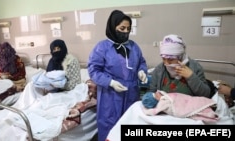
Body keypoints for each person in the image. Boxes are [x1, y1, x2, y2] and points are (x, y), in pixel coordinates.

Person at [87, 10, 148, 141]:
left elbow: (141, 62)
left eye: (128, 29)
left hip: (132, 93)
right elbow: (93, 70)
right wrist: (110, 82)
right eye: (122, 28)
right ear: (113, 27)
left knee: (130, 124)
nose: (125, 31)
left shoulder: (133, 46)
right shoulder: (102, 47)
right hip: (110, 96)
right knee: (109, 126)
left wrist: (141, 71)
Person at [141, 90, 218, 123]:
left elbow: (178, 97)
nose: (157, 92)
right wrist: (145, 110)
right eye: (155, 94)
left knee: (195, 100)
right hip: (179, 107)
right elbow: (154, 111)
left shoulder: (165, 97)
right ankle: (210, 113)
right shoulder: (161, 103)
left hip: (184, 100)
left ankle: (208, 107)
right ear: (155, 99)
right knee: (195, 111)